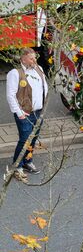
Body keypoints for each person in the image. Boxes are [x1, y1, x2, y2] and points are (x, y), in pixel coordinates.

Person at [5, 47, 47, 181]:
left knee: (33, 138)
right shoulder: (15, 73)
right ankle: (17, 166)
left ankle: (28, 161)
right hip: (25, 113)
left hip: (39, 112)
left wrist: (43, 108)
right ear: (23, 59)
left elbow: (44, 88)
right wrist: (19, 112)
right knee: (24, 139)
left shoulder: (39, 69)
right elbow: (10, 95)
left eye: (35, 57)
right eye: (31, 58)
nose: (34, 60)